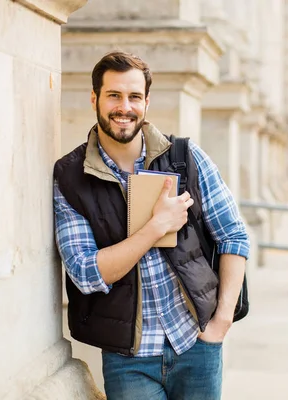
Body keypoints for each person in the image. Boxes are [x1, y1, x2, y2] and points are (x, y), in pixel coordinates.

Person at [53, 51, 249, 400]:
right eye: (113, 95)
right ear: (95, 98)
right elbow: (85, 272)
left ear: (146, 101)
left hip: (196, 344)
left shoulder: (185, 157)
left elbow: (234, 236)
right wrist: (156, 226)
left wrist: (221, 322)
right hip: (128, 359)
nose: (123, 107)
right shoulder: (71, 176)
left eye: (134, 97)